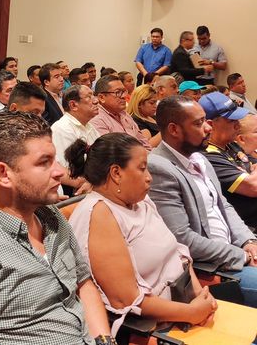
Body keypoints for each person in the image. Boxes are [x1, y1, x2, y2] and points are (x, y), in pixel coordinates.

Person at [0, 111, 113, 345]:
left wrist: (105, 341)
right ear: (4, 174)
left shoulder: (49, 214)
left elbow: (83, 282)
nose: (59, 171)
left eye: (55, 160)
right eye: (44, 162)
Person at [66, 133, 217, 336]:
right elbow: (126, 300)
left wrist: (200, 295)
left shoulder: (141, 200)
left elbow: (177, 253)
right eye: (142, 168)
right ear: (116, 173)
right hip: (155, 329)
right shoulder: (99, 214)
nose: (149, 177)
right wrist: (191, 313)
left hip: (185, 307)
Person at [148, 96, 257, 307]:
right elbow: (182, 238)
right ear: (174, 129)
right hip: (209, 268)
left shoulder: (200, 157)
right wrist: (242, 256)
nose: (208, 128)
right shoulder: (159, 167)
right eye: (198, 123)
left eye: (206, 120)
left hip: (234, 250)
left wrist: (248, 242)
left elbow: (223, 205)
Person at [199, 92, 257, 230]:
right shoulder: (208, 156)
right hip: (246, 228)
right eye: (231, 120)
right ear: (210, 125)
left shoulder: (231, 144)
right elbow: (254, 187)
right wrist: (251, 175)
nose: (238, 125)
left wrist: (251, 174)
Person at [51, 84, 99, 195]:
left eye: (93, 95)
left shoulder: (89, 126)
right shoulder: (62, 128)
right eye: (89, 97)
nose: (96, 101)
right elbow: (68, 173)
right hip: (75, 192)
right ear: (73, 105)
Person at [89, 75, 151, 150]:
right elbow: (110, 152)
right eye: (118, 92)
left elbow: (145, 144)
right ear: (102, 97)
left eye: (124, 91)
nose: (124, 96)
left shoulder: (125, 114)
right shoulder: (96, 119)